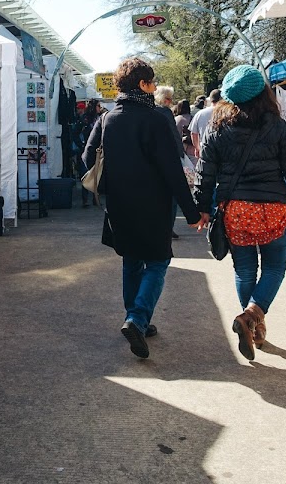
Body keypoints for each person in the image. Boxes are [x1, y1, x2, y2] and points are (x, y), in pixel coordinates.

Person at [84, 57, 205, 359]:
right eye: (151, 82)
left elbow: (88, 158)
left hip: (120, 204)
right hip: (153, 205)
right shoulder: (156, 119)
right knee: (158, 262)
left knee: (132, 260)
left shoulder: (108, 118)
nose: (153, 88)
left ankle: (137, 318)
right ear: (142, 84)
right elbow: (172, 171)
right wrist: (191, 212)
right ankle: (137, 319)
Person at [193, 65, 286, 361]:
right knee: (274, 268)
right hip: (273, 208)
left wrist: (202, 208)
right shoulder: (277, 125)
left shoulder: (216, 127)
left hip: (237, 209)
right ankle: (252, 318)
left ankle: (251, 322)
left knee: (245, 270)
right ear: (263, 93)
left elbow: (205, 173)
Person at [154, 85, 185, 239]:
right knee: (172, 198)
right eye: (169, 99)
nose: (171, 102)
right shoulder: (165, 113)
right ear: (163, 99)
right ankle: (168, 228)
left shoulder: (148, 110)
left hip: (151, 163)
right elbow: (174, 136)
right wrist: (181, 156)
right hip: (168, 160)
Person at [188, 88, 221, 159]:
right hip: (221, 150)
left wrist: (197, 148)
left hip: (204, 149)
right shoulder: (225, 113)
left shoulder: (200, 113)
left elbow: (193, 133)